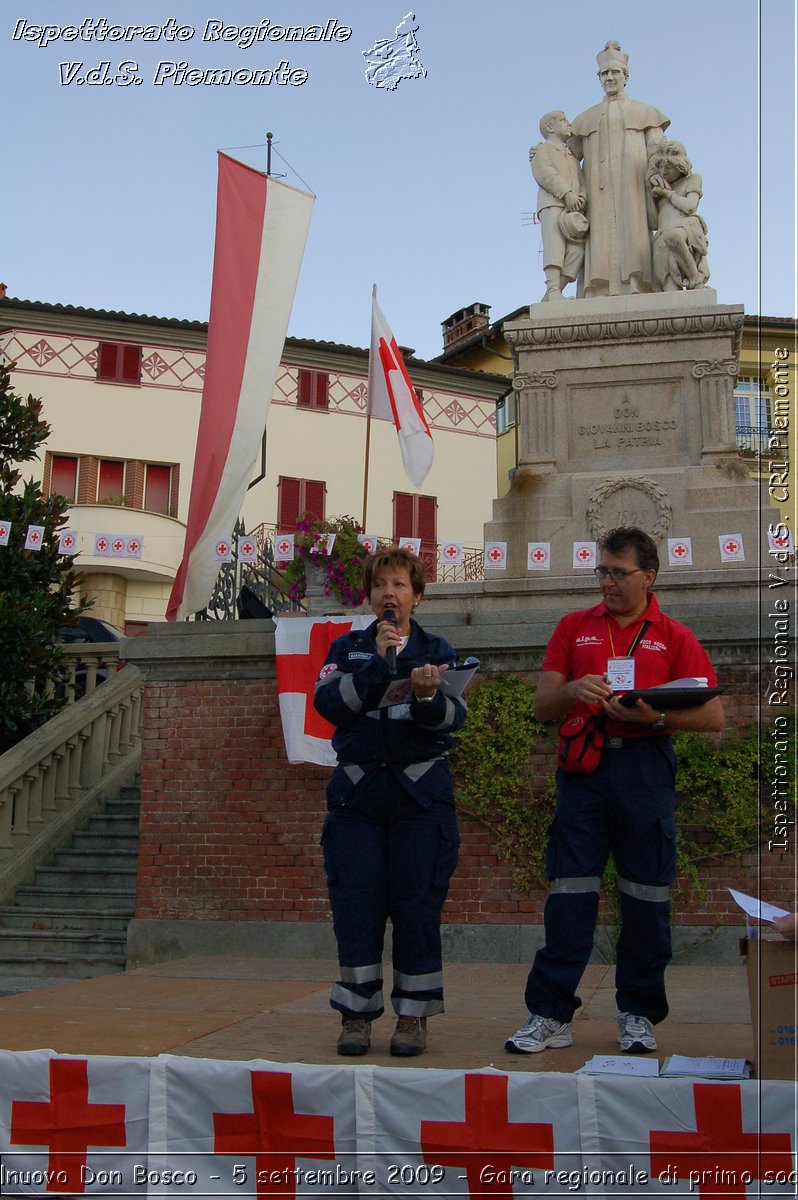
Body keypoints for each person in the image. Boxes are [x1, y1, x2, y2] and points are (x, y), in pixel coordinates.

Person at [505, 527, 725, 1056]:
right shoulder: (574, 627)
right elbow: (541, 704)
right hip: (584, 771)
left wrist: (656, 718)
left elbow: (714, 715)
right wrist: (573, 691)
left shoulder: (673, 636)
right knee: (570, 892)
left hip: (645, 768)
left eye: (617, 573)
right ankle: (550, 1014)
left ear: (648, 576)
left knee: (646, 894)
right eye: (601, 571)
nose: (606, 582)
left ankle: (638, 1014)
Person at [313, 547, 466, 1058]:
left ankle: (413, 1017)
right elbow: (330, 706)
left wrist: (427, 697)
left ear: (416, 596)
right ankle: (356, 1016)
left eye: (400, 585)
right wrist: (378, 667)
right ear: (369, 595)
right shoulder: (348, 648)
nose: (389, 595)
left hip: (419, 798)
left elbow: (452, 721)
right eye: (381, 586)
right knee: (356, 905)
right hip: (357, 797)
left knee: (417, 905)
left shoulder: (438, 648)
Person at [569, 41, 669, 297]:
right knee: (600, 239)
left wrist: (659, 179)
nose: (610, 77)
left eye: (615, 72)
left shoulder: (645, 113)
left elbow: (661, 155)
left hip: (634, 188)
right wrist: (545, 151)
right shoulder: (584, 119)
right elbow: (567, 156)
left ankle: (638, 284)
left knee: (634, 235)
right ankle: (598, 288)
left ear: (626, 77)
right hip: (597, 193)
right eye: (605, 73)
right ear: (598, 78)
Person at [530, 110, 588, 301]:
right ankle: (553, 288)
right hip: (552, 203)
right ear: (550, 127)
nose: (568, 123)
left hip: (573, 209)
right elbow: (545, 174)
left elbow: (581, 180)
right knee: (554, 245)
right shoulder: (543, 150)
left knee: (577, 251)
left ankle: (552, 295)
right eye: (563, 120)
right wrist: (566, 193)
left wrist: (582, 197)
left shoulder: (570, 156)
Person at [649, 140, 710, 291]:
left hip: (684, 228)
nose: (663, 171)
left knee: (674, 237)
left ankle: (695, 278)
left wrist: (667, 194)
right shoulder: (659, 185)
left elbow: (690, 207)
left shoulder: (693, 179)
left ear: (679, 165)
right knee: (670, 292)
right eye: (661, 167)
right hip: (662, 238)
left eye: (668, 167)